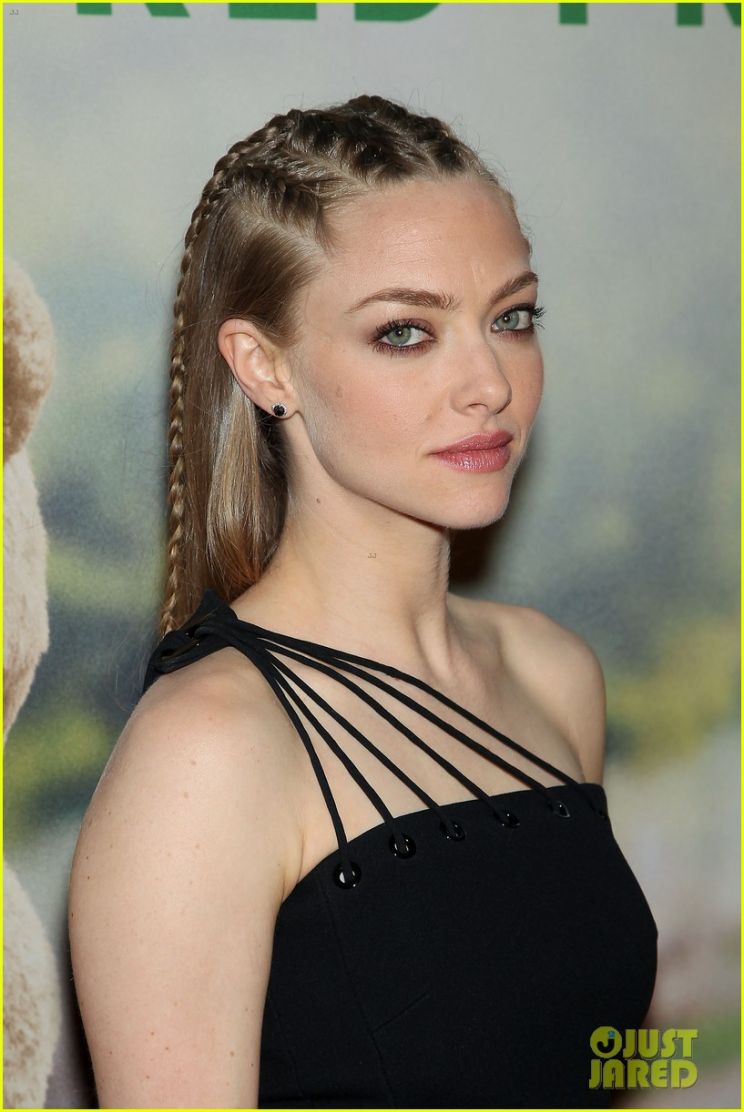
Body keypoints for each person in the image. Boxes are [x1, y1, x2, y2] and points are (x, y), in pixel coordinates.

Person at [68, 94, 658, 1109]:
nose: (489, 383)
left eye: (512, 317)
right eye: (406, 332)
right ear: (265, 367)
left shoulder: (554, 674)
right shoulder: (206, 754)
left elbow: (586, 1057)